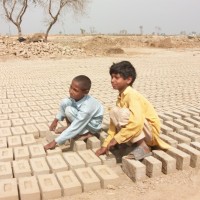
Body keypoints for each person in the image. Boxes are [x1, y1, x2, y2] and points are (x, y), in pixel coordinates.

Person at [95, 61, 170, 160]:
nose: (112, 80)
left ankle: (144, 147)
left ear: (128, 79)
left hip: (149, 133)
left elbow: (137, 123)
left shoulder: (132, 95)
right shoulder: (121, 96)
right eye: (112, 77)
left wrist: (116, 139)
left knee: (123, 113)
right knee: (114, 111)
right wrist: (106, 144)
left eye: (116, 77)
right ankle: (135, 143)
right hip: (142, 131)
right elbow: (113, 125)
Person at [44, 75, 104, 151]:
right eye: (70, 87)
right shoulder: (77, 97)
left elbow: (76, 125)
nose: (71, 91)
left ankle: (87, 133)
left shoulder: (87, 107)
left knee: (69, 111)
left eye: (75, 90)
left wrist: (55, 141)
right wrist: (56, 120)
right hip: (83, 119)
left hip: (92, 125)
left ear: (86, 92)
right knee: (65, 102)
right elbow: (64, 105)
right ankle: (70, 128)